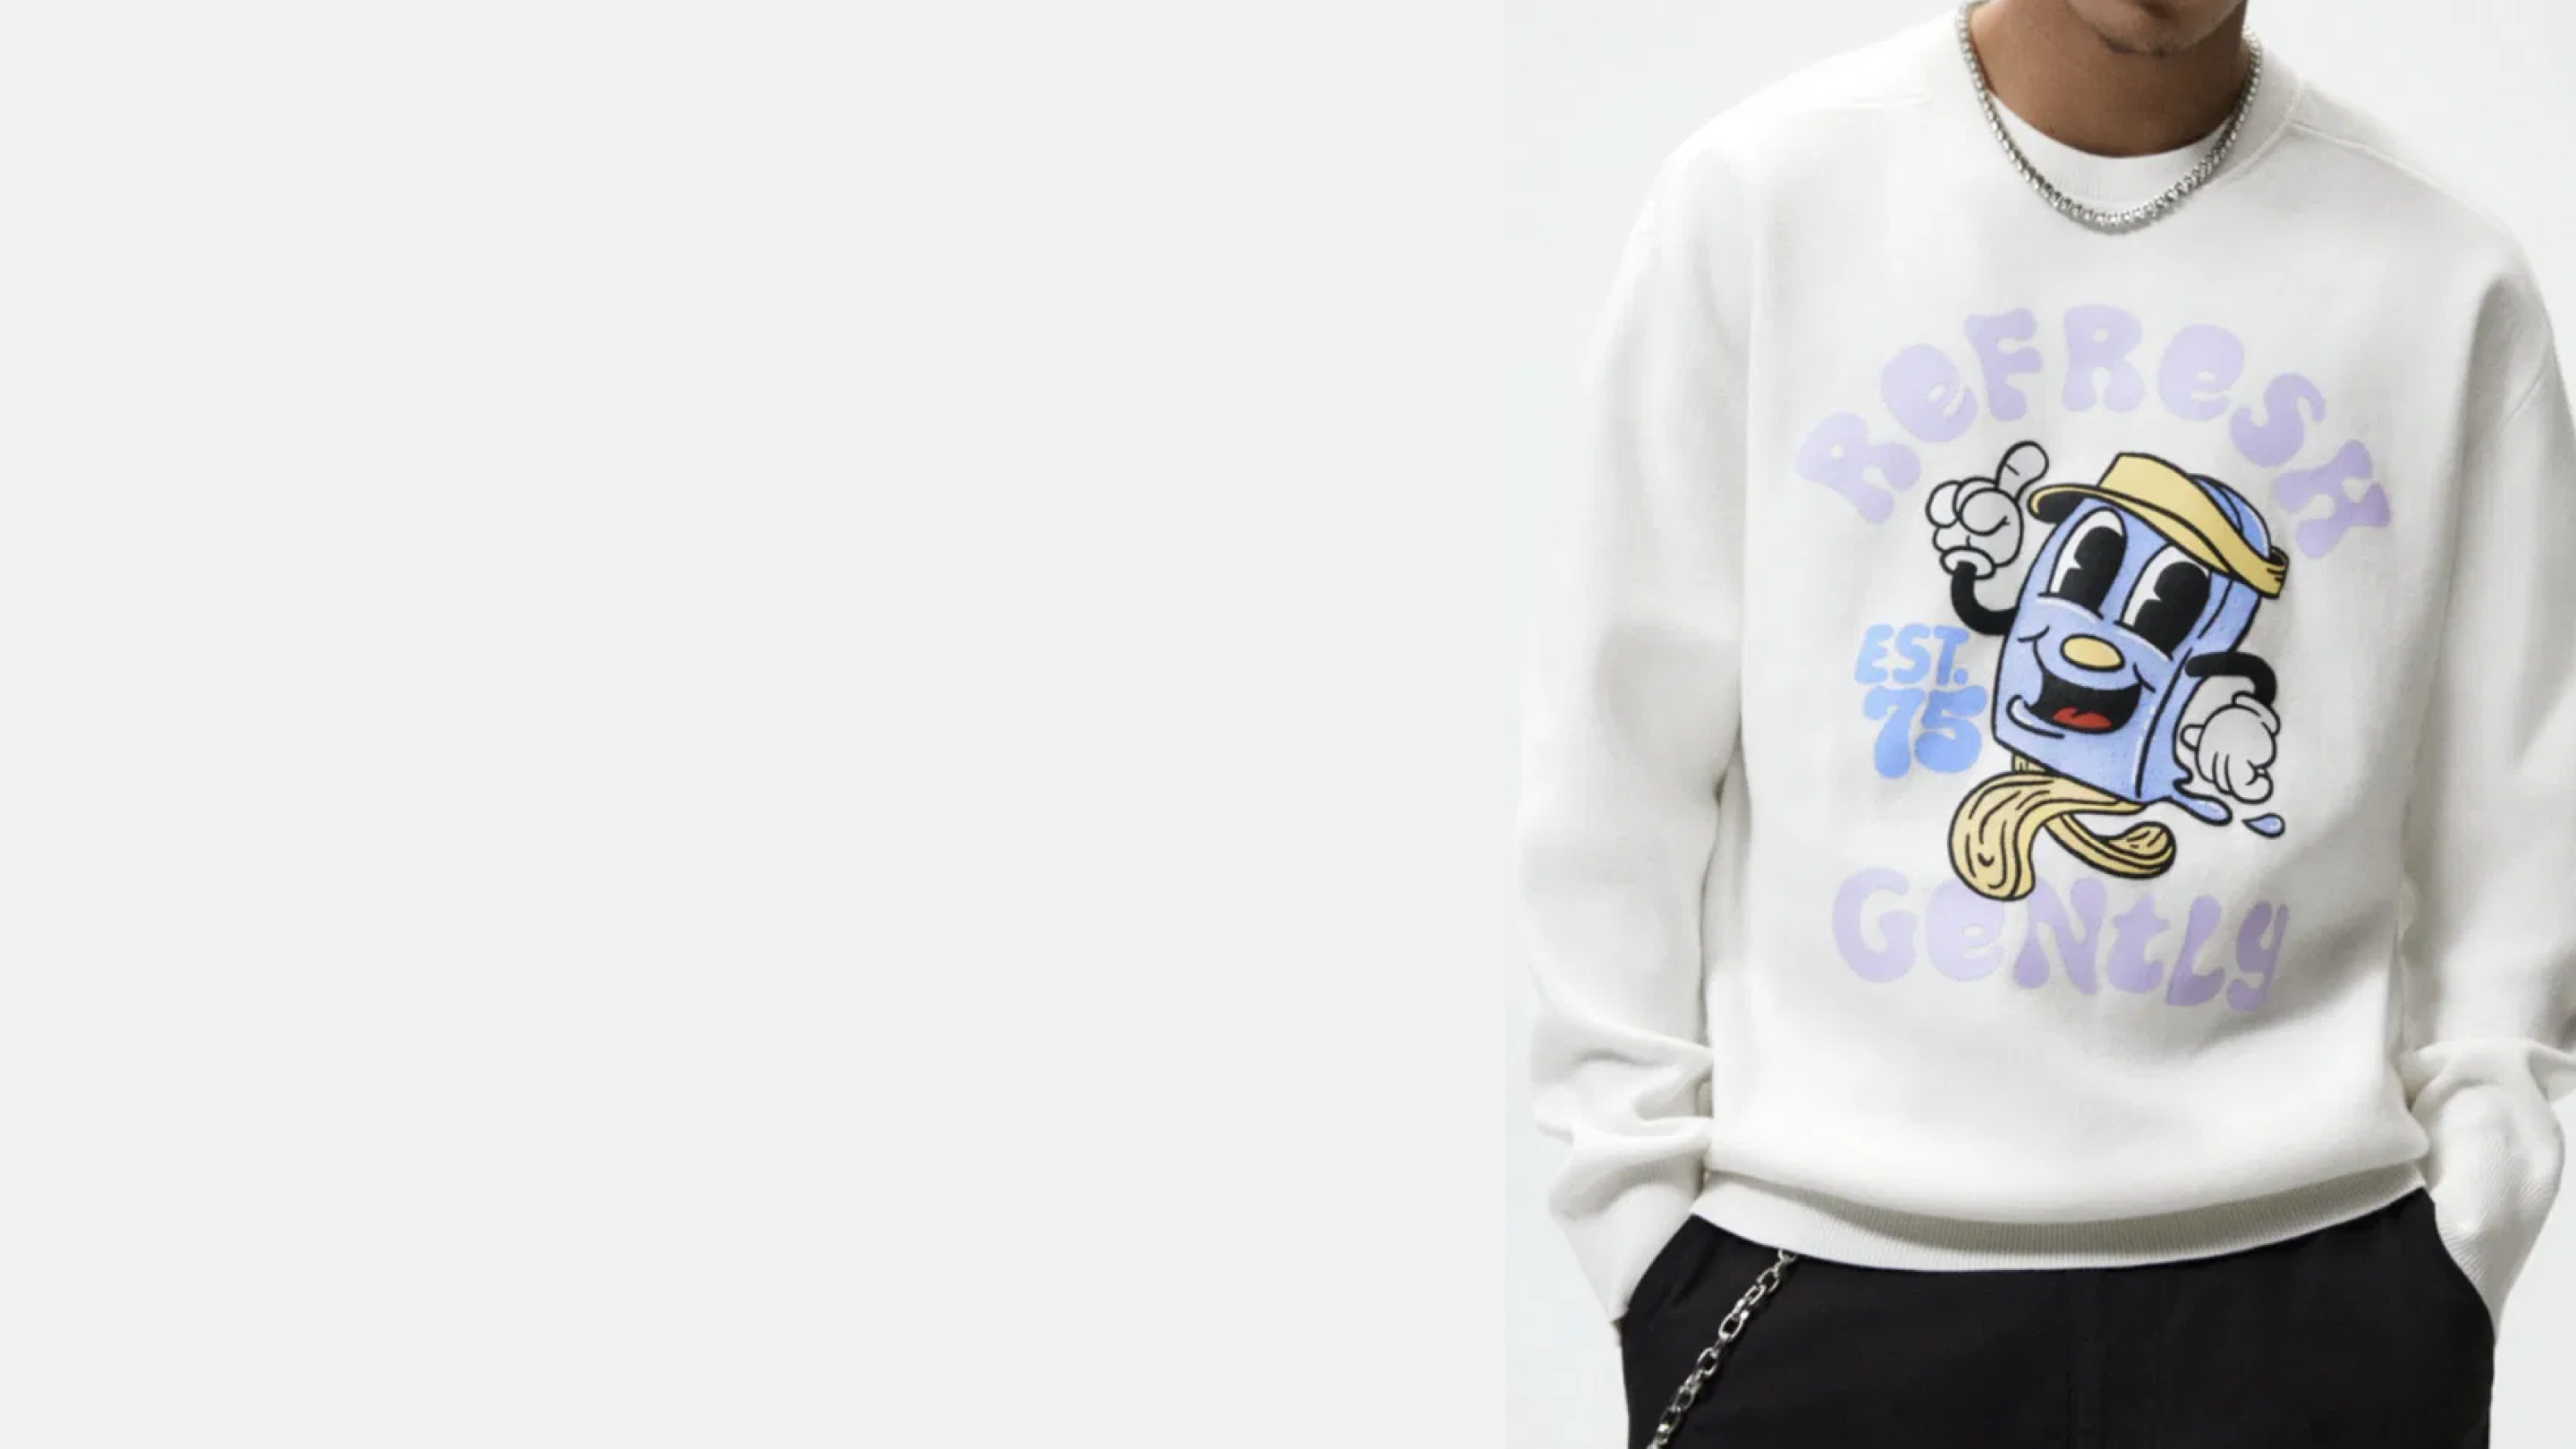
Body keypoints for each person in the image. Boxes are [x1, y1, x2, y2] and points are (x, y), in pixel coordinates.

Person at [1513, 1, 2576, 1443]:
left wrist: (2460, 1249)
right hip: (1817, 1288)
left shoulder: (2446, 278)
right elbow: (1616, 750)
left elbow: (2521, 822)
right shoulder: (1762, 202)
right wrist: (1645, 1239)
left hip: (2317, 1309)